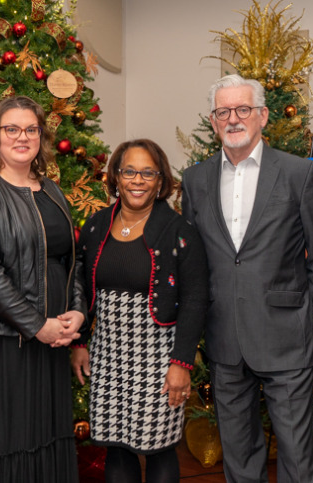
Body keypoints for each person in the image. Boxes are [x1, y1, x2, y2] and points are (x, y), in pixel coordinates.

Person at [181, 74, 313, 483]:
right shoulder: (194, 181)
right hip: (223, 336)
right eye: (223, 111)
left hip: (286, 337)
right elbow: (192, 261)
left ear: (263, 116)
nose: (233, 119)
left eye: (243, 109)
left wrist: (300, 309)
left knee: (298, 456)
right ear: (213, 121)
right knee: (238, 452)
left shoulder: (298, 173)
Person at [0, 95, 85, 482]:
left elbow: (71, 259)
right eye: (12, 129)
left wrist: (77, 313)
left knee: (43, 433)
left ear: (41, 135)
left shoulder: (52, 190)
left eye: (31, 129)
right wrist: (35, 323)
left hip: (51, 339)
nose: (22, 137)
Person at [70, 139, 209, 483]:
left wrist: (181, 363)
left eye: (148, 173)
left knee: (159, 447)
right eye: (129, 171)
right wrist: (80, 342)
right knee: (116, 447)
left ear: (161, 181)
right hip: (108, 353)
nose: (137, 180)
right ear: (116, 177)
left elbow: (195, 299)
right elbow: (80, 287)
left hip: (160, 357)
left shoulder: (179, 231)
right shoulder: (96, 225)